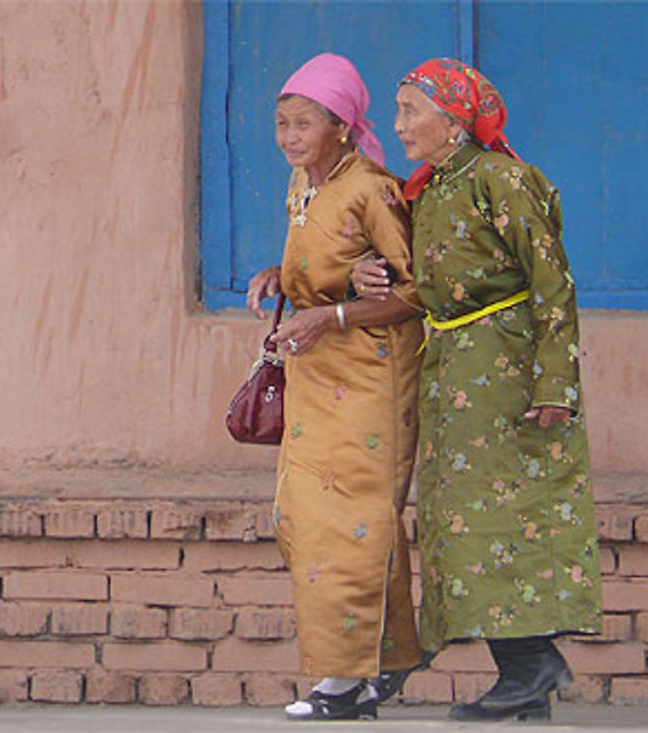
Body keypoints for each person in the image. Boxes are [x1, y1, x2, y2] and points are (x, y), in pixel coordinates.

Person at [352, 58, 602, 722]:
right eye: (399, 110)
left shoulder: (503, 181)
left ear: (454, 120)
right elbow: (406, 271)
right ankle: (527, 676)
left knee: (512, 519)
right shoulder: (427, 190)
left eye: (411, 110)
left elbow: (553, 285)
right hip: (453, 372)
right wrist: (363, 273)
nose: (399, 125)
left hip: (510, 373)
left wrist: (557, 383)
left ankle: (528, 666)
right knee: (459, 525)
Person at [245, 53, 426, 721]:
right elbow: (320, 268)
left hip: (370, 374)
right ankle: (389, 658)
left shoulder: (373, 190)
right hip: (315, 371)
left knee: (348, 524)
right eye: (282, 123)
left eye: (304, 124)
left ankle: (343, 682)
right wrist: (277, 276)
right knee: (300, 515)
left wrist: (338, 312)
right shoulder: (303, 184)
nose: (290, 137)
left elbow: (415, 292)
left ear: (343, 128)